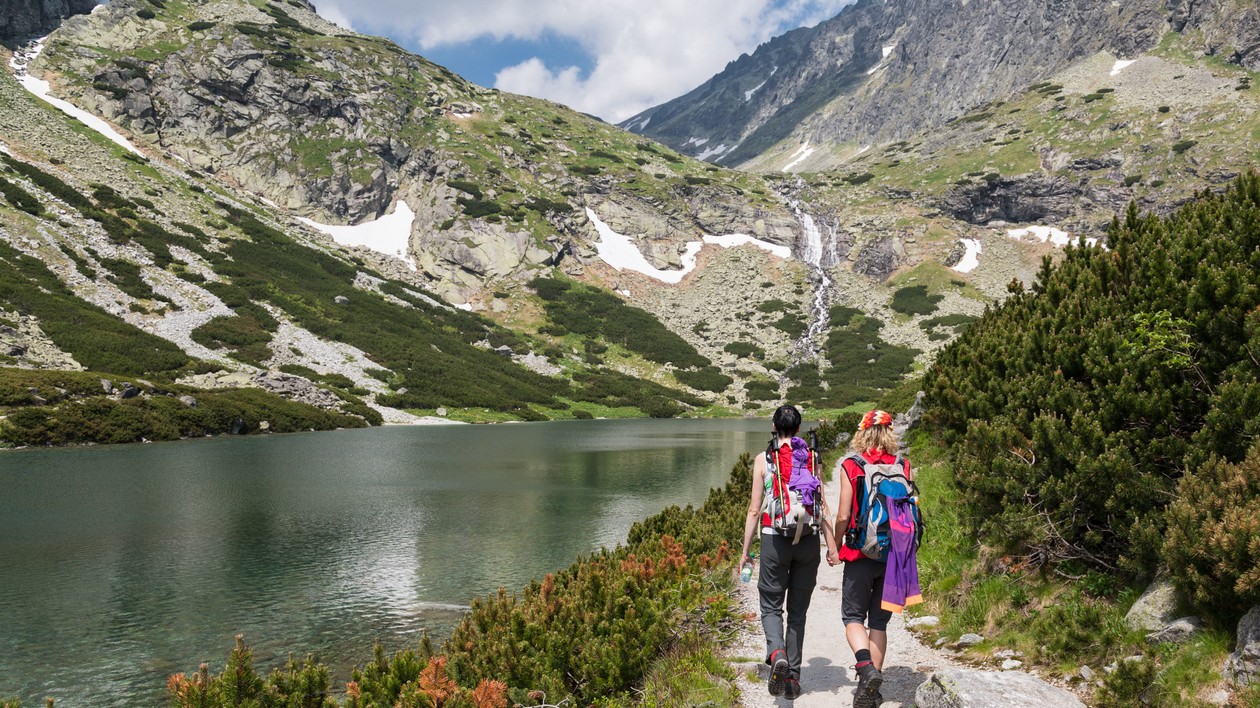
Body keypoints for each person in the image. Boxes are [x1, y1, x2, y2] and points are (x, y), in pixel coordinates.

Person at [738, 404, 840, 700]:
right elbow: (821, 504)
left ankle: (777, 652)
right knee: (797, 611)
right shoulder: (811, 457)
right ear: (798, 429)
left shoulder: (763, 459)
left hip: (774, 539)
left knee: (771, 603)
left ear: (773, 427)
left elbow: (755, 509)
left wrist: (746, 551)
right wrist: (832, 547)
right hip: (808, 540)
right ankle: (792, 678)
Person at [834, 409, 915, 708]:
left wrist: (836, 543)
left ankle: (865, 668)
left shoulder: (852, 465)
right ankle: (870, 691)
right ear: (890, 433)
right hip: (895, 556)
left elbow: (843, 514)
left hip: (860, 553)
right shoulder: (903, 466)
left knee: (853, 617)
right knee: (879, 623)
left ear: (862, 433)